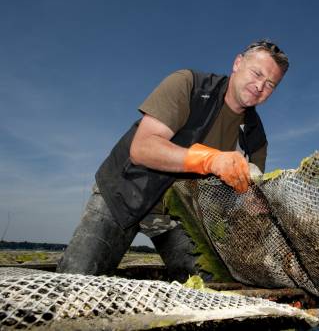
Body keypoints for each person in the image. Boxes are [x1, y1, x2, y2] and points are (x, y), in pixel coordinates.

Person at [57, 40, 289, 281]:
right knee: (76, 282)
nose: (260, 86)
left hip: (180, 218)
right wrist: (209, 160)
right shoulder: (189, 85)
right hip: (125, 193)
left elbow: (249, 193)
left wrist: (254, 202)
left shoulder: (255, 136)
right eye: (256, 73)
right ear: (237, 63)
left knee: (211, 288)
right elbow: (143, 148)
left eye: (270, 84)